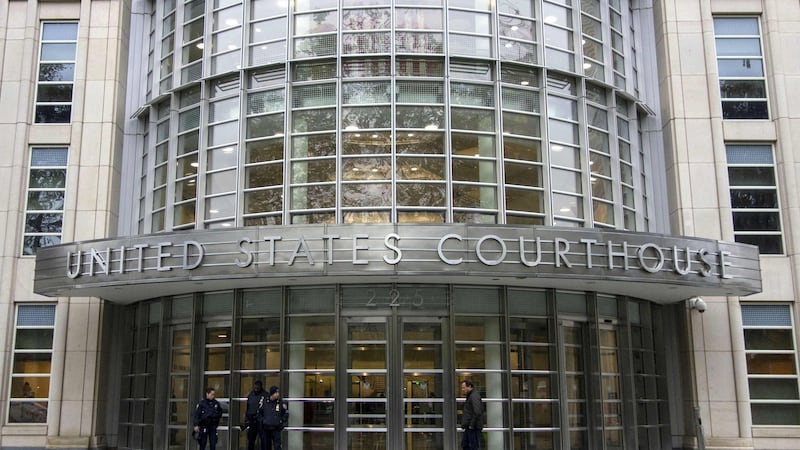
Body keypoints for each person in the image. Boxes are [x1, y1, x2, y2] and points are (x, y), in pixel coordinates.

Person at [260, 386, 289, 450]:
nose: (278, 394)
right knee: (267, 446)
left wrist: (282, 420)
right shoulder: (265, 402)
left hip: (276, 428)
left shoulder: (280, 403)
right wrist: (263, 421)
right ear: (272, 393)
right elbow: (260, 413)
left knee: (277, 446)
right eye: (276, 392)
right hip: (266, 428)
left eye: (278, 392)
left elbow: (286, 413)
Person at [460, 380, 485, 450]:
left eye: (464, 387)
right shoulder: (471, 396)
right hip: (470, 426)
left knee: (473, 446)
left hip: (473, 427)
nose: (462, 390)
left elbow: (477, 411)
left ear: (470, 386)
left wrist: (471, 425)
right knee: (465, 444)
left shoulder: (474, 396)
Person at [243, 381, 267, 450]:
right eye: (255, 386)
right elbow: (248, 407)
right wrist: (246, 419)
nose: (256, 388)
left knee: (263, 440)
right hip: (252, 421)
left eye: (257, 386)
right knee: (251, 440)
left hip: (261, 421)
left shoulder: (265, 395)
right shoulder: (251, 395)